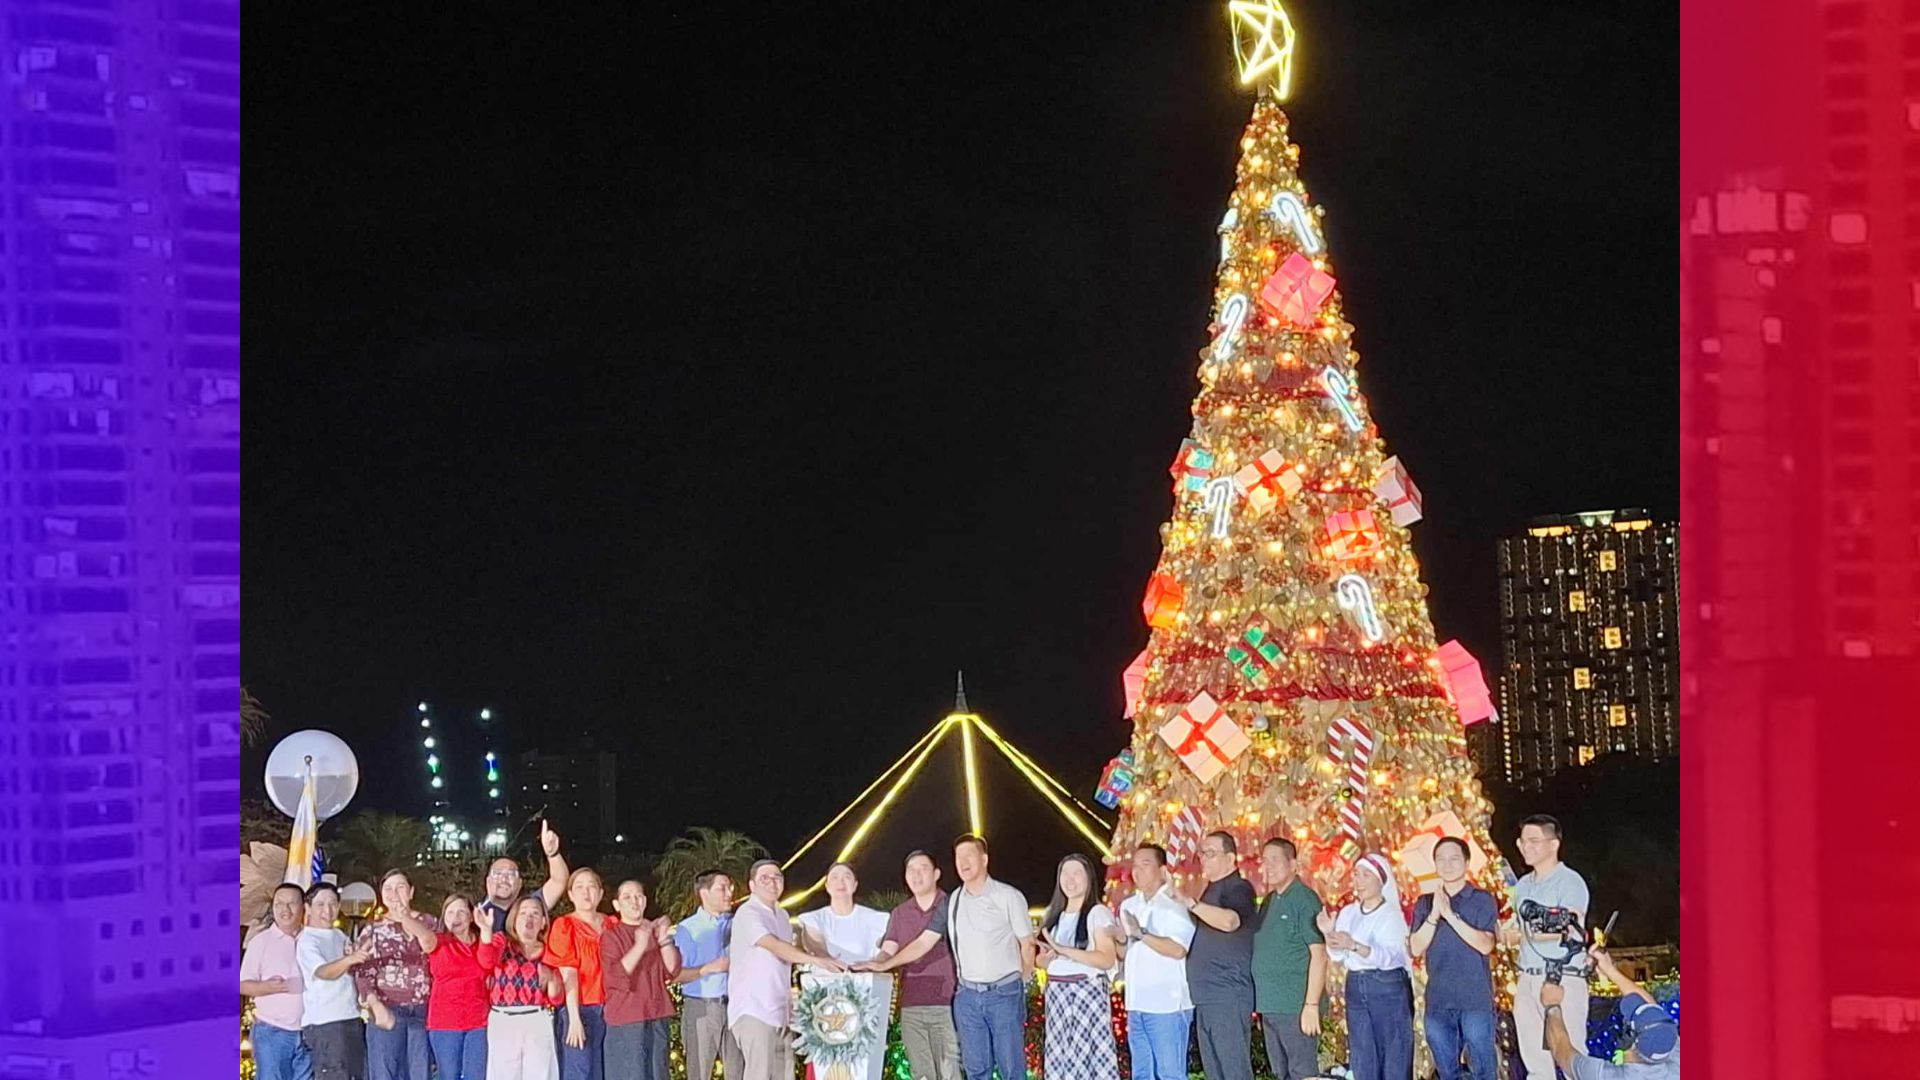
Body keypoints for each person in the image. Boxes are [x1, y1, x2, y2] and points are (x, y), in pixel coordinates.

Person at [857, 835, 1032, 1080]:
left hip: (997, 994)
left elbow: (1027, 945)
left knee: (1009, 1066)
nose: (963, 862)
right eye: (958, 857)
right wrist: (884, 963)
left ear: (984, 859)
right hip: (965, 997)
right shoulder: (952, 902)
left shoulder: (1007, 896)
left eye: (969, 855)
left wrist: (1021, 983)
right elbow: (923, 943)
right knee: (975, 1069)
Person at [729, 859, 846, 1080]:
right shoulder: (748, 912)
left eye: (777, 877)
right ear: (752, 885)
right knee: (759, 1074)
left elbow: (792, 951)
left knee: (785, 1074)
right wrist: (817, 961)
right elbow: (773, 945)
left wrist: (820, 955)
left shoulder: (782, 915)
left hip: (781, 1012)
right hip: (754, 1010)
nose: (772, 882)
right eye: (765, 878)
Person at [1501, 814, 1593, 1080]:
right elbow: (1519, 928)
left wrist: (1525, 935)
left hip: (1562, 977)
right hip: (1527, 976)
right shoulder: (1522, 886)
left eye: (1534, 841)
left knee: (1571, 1055)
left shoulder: (1570, 881)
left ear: (1554, 844)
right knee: (1535, 1062)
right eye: (1522, 841)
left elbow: (1572, 928)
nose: (1526, 847)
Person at [1409, 838, 1499, 1080]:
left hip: (1475, 1001)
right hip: (1439, 1000)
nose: (1447, 865)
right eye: (1441, 859)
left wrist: (1450, 914)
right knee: (1447, 1071)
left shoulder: (1481, 899)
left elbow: (1485, 944)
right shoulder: (1425, 902)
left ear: (1467, 862)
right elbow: (1416, 947)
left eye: (1454, 859)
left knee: (1483, 1069)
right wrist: (1435, 915)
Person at [866, 851, 960, 1080]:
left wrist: (886, 963)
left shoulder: (953, 906)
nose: (916, 875)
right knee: (921, 1074)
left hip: (947, 1004)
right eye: (911, 870)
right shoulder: (900, 913)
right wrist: (873, 964)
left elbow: (922, 945)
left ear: (937, 874)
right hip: (911, 1006)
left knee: (950, 1072)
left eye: (923, 868)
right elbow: (888, 949)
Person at [796, 863, 892, 1080]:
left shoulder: (875, 919)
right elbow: (815, 943)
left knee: (861, 1067)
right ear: (827, 885)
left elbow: (885, 951)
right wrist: (826, 959)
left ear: (855, 884)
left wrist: (874, 964)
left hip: (862, 1007)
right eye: (835, 877)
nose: (841, 882)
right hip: (826, 1008)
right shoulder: (815, 918)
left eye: (847, 876)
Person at [1321, 853, 1413, 1080]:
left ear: (1381, 880)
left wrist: (1353, 945)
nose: (1359, 881)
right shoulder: (1348, 912)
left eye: (1366, 875)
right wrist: (1329, 934)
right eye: (1356, 875)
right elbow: (1337, 955)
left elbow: (1389, 958)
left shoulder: (1391, 916)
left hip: (1387, 988)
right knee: (1363, 1056)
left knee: (1394, 1055)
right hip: (1356, 986)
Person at [1181, 831, 1258, 1080]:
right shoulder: (1210, 890)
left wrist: (1192, 904)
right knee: (1215, 1071)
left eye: (1211, 853)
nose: (1203, 858)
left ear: (1231, 858)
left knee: (1233, 1069)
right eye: (1202, 853)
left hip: (1227, 993)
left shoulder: (1238, 887)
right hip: (1206, 996)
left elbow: (1230, 921)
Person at [1114, 845, 1195, 1080]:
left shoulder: (1175, 905)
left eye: (1145, 864)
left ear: (1162, 870)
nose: (1137, 871)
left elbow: (1179, 949)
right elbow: (1126, 952)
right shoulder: (1129, 905)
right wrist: (1117, 940)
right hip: (1136, 1002)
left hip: (1167, 1005)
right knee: (1142, 1072)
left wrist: (1141, 933)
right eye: (1135, 866)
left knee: (1170, 1073)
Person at [1036, 853, 1119, 1080]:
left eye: (1077, 873)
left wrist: (1064, 951)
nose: (1070, 879)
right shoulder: (1052, 916)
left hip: (1085, 995)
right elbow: (1044, 960)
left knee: (1086, 1061)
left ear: (1089, 879)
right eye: (1065, 873)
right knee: (1061, 1060)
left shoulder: (1097, 913)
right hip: (1058, 999)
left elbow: (1106, 958)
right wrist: (1044, 959)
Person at [1250, 838, 1327, 1080]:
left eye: (1275, 860)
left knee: (1302, 1072)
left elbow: (1320, 954)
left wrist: (1311, 1005)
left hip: (1295, 1006)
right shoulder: (1269, 901)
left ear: (1293, 864)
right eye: (1264, 861)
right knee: (1280, 1073)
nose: (1268, 867)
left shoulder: (1304, 899)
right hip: (1271, 1007)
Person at [1542, 948, 1678, 1079]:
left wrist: (1552, 1006)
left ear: (1629, 1040)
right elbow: (1651, 1009)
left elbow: (1562, 1051)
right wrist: (1610, 970)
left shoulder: (1605, 1076)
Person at [356, 870, 441, 1080]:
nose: (394, 893)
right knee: (385, 1073)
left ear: (411, 892)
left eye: (400, 887)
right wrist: (375, 1005)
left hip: (423, 1010)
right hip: (387, 1008)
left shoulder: (430, 922)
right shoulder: (373, 929)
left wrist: (405, 917)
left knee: (420, 1071)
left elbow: (435, 951)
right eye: (388, 889)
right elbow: (363, 972)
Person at [477, 893, 565, 1080]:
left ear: (543, 922)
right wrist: (486, 931)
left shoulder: (551, 949)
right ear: (514, 919)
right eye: (523, 913)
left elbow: (556, 999)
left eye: (535, 913)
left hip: (537, 1019)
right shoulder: (502, 942)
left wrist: (551, 978)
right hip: (503, 1019)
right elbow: (486, 961)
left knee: (540, 1074)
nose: (528, 918)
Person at [600, 880, 680, 1080]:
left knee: (658, 1073)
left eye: (638, 896)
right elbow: (615, 975)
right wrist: (639, 946)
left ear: (645, 901)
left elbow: (672, 970)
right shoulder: (611, 936)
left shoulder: (652, 930)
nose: (634, 902)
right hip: (626, 1019)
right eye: (627, 897)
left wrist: (662, 938)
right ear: (617, 905)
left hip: (656, 1015)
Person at [672, 870, 743, 1080]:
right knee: (700, 1072)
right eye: (722, 888)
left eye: (730, 887)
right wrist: (708, 969)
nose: (729, 893)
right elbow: (675, 974)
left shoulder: (737, 924)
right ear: (704, 892)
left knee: (738, 1071)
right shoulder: (688, 929)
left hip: (735, 1007)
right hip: (702, 1007)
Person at [298, 882, 371, 1080]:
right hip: (326, 1023)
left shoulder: (339, 935)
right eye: (320, 904)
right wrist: (350, 959)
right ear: (308, 908)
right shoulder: (307, 940)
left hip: (350, 1018)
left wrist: (354, 958)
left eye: (332, 904)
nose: (327, 910)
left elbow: (351, 970)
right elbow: (323, 972)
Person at [546, 869, 614, 1080]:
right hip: (580, 1009)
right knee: (579, 1071)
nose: (586, 893)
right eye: (579, 887)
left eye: (592, 886)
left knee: (604, 1072)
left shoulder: (612, 924)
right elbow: (569, 973)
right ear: (571, 894)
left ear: (601, 893)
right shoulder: (564, 926)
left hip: (611, 1011)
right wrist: (574, 1018)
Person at [243, 883, 312, 1080]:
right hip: (273, 1033)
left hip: (309, 1032)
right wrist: (267, 987)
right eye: (279, 903)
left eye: (291, 903)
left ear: (303, 907)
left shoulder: (312, 939)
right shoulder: (261, 941)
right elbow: (242, 984)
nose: (285, 909)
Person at [425, 894, 491, 1080]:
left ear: (472, 916)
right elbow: (422, 936)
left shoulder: (482, 941)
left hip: (478, 1020)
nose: (456, 917)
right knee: (448, 1075)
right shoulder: (438, 942)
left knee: (476, 1075)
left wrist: (486, 930)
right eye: (451, 912)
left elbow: (488, 965)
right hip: (445, 1021)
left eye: (462, 912)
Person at [477, 820, 571, 935]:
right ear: (488, 881)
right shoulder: (474, 915)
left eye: (511, 874)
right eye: (498, 873)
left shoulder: (529, 906)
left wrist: (553, 854)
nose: (504, 879)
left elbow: (559, 882)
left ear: (520, 883)